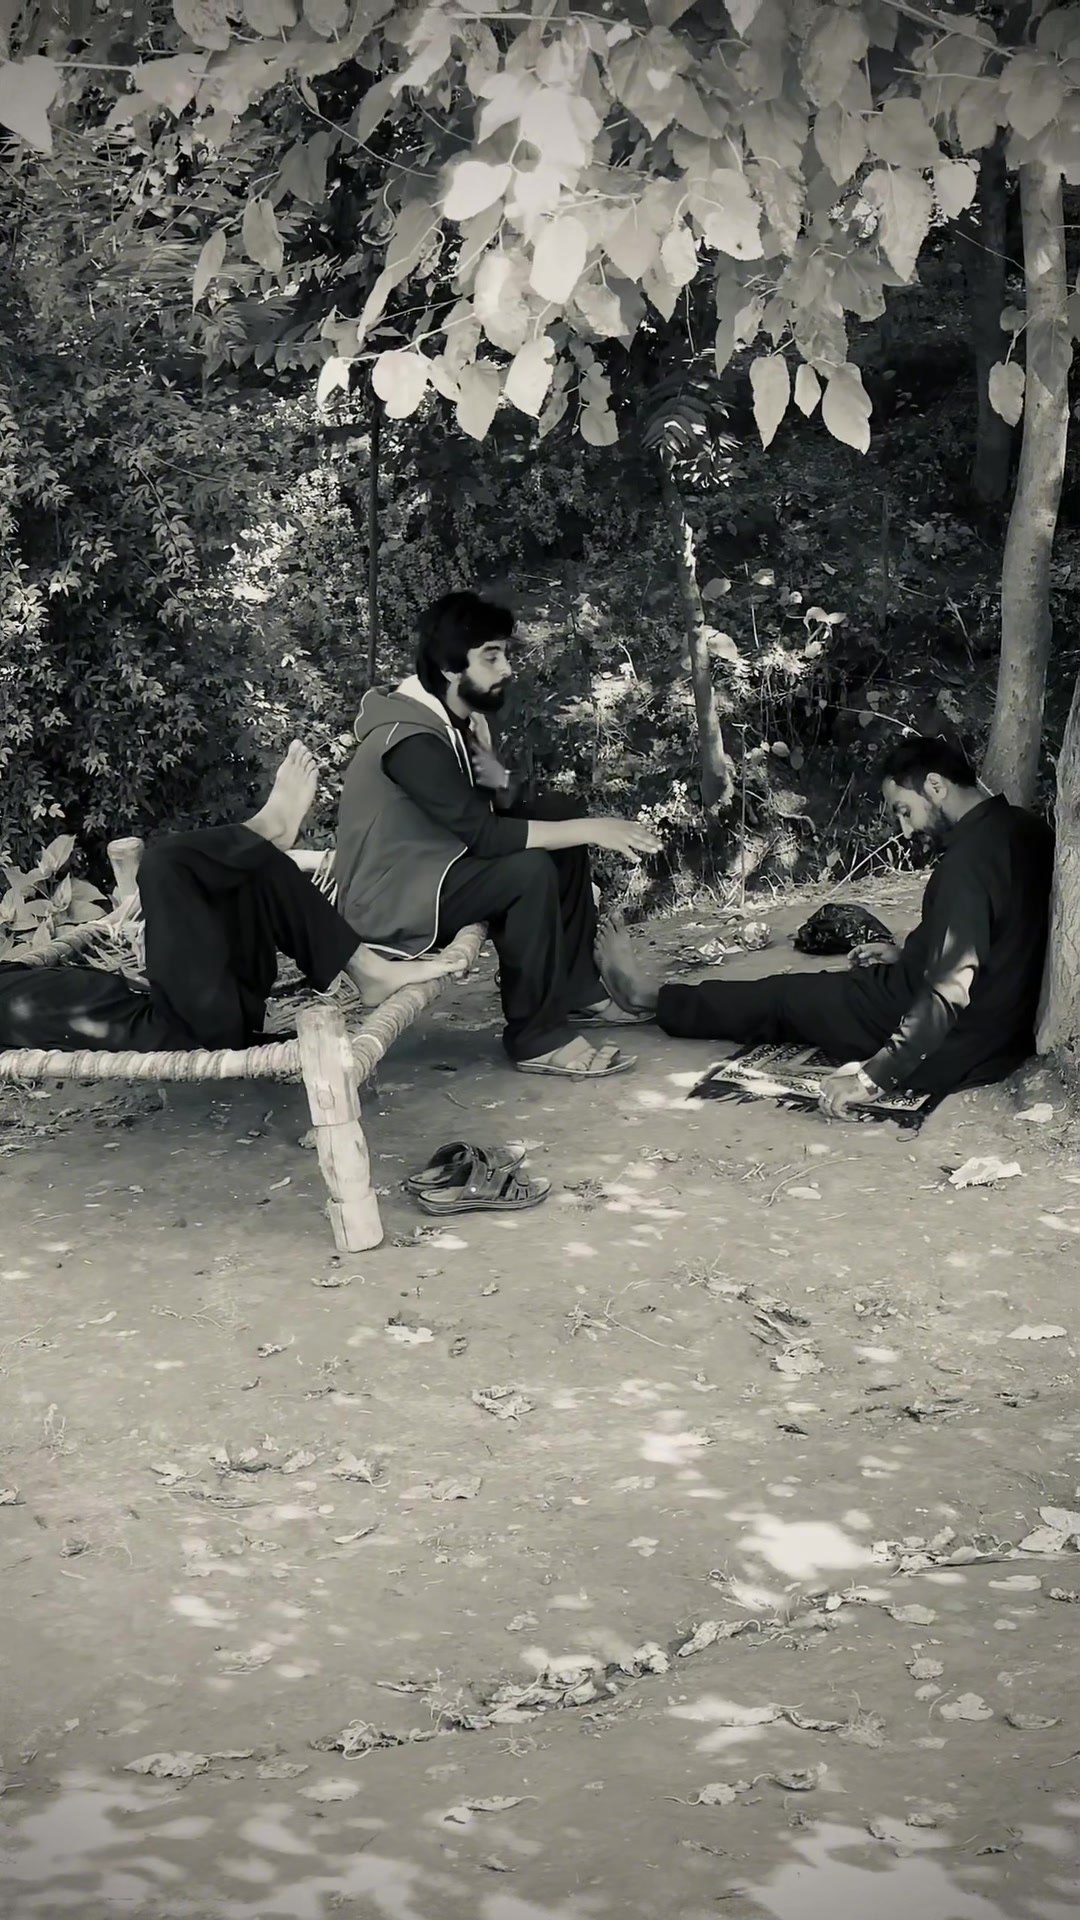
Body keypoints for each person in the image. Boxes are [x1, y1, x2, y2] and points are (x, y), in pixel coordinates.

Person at [597, 736, 1055, 1118]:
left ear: (935, 786)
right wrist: (912, 954)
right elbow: (1001, 935)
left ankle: (647, 998)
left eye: (904, 810)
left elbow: (946, 991)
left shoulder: (967, 865)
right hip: (1000, 1033)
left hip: (950, 1041)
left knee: (785, 998)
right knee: (815, 991)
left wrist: (873, 1078)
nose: (904, 830)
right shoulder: (1028, 830)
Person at [335, 591, 662, 1079]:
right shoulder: (410, 739)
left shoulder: (458, 721)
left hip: (438, 869)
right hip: (394, 898)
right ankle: (536, 1038)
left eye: (504, 653)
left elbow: (498, 804)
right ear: (450, 668)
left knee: (556, 813)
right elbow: (486, 836)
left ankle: (576, 989)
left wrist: (503, 780)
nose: (506, 668)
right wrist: (593, 829)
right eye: (491, 656)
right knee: (526, 870)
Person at [0, 744, 463, 1056]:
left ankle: (365, 968)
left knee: (246, 865)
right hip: (179, 1026)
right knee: (165, 864)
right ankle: (269, 827)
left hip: (201, 998)